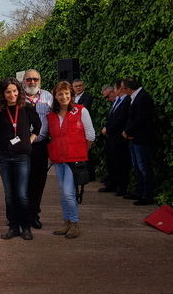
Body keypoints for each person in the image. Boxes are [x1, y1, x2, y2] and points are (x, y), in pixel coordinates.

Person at [0, 77, 41, 240]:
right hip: (4, 158)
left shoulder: (26, 108)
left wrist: (30, 139)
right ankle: (13, 227)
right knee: (9, 194)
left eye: (14, 91)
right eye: (8, 92)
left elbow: (38, 125)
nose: (11, 94)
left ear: (19, 91)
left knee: (22, 194)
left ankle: (26, 227)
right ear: (3, 94)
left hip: (22, 157)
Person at [45, 81, 95, 239]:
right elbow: (48, 135)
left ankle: (74, 223)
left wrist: (80, 151)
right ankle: (66, 222)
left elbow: (90, 134)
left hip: (75, 159)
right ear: (55, 96)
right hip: (59, 159)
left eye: (67, 93)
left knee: (68, 192)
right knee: (64, 192)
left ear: (72, 95)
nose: (64, 96)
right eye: (60, 94)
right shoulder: (51, 115)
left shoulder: (81, 110)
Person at [22, 69, 53, 230]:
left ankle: (34, 214)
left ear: (40, 80)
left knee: (38, 181)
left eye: (35, 79)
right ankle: (20, 214)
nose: (32, 82)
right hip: (21, 147)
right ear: (23, 81)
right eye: (29, 79)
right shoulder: (17, 97)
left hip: (40, 146)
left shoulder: (48, 97)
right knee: (21, 182)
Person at [121, 78, 156, 205]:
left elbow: (142, 119)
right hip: (135, 138)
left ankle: (147, 195)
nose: (122, 91)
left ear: (128, 89)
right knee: (137, 166)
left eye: (123, 88)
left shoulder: (143, 98)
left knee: (144, 167)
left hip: (142, 138)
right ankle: (139, 191)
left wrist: (128, 131)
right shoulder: (136, 97)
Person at [100, 80, 131, 196]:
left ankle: (121, 187)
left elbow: (121, 120)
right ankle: (113, 184)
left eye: (107, 96)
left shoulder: (126, 101)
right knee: (112, 162)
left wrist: (108, 129)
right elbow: (111, 118)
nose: (107, 99)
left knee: (120, 163)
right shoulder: (116, 102)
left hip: (119, 137)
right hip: (111, 137)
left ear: (115, 90)